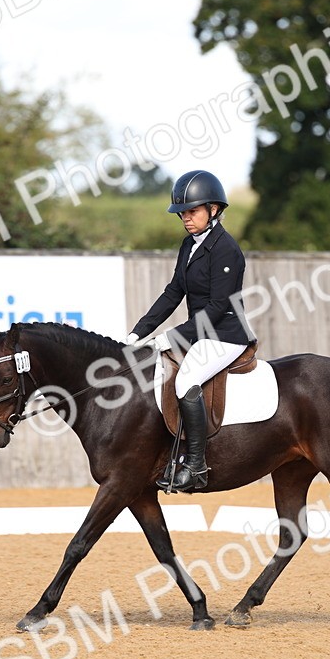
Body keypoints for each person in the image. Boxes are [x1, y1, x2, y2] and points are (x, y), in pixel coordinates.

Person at [126, 170, 254, 492]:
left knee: (185, 381)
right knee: (158, 375)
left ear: (213, 210)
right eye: (182, 212)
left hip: (225, 335)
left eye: (192, 211)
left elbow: (217, 308)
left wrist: (171, 336)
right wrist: (138, 333)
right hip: (200, 333)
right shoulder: (189, 245)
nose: (186, 217)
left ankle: (196, 466)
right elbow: (173, 293)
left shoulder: (226, 249)